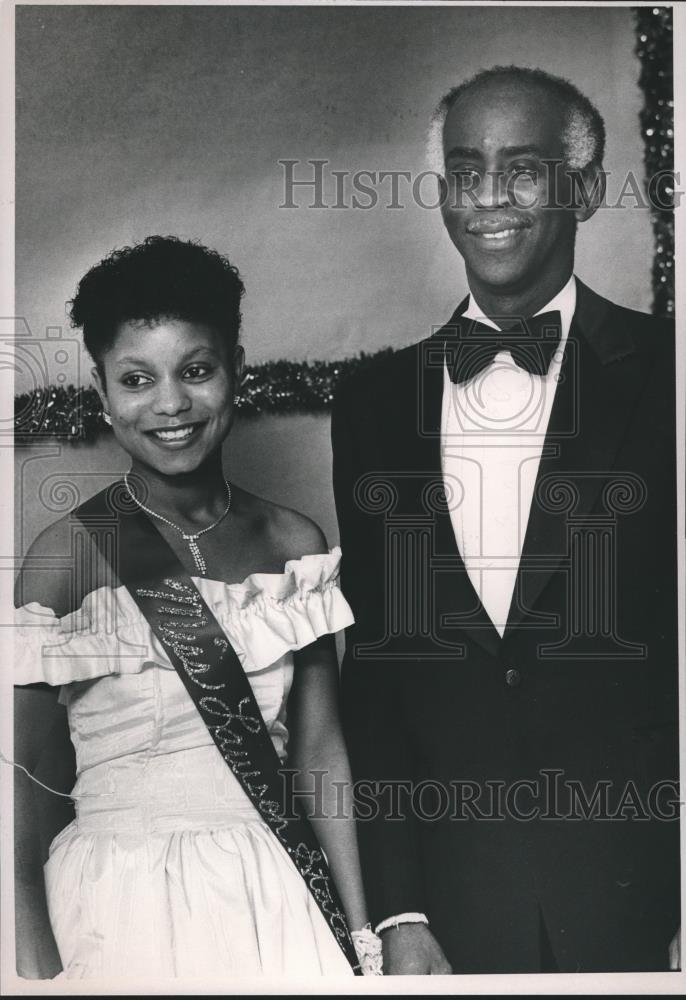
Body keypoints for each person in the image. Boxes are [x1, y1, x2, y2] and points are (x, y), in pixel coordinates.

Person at [332, 66, 680, 974]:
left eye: (524, 169)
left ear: (587, 190)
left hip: (645, 899)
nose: (490, 198)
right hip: (453, 912)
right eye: (465, 170)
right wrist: (399, 912)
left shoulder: (670, 374)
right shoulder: (373, 406)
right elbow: (376, 678)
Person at [14, 235, 381, 979]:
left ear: (236, 371)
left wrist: (363, 933)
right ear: (104, 392)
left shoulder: (292, 541)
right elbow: (17, 785)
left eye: (197, 370)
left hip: (280, 897)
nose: (171, 404)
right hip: (122, 906)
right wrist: (30, 970)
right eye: (137, 379)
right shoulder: (66, 556)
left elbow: (319, 756)